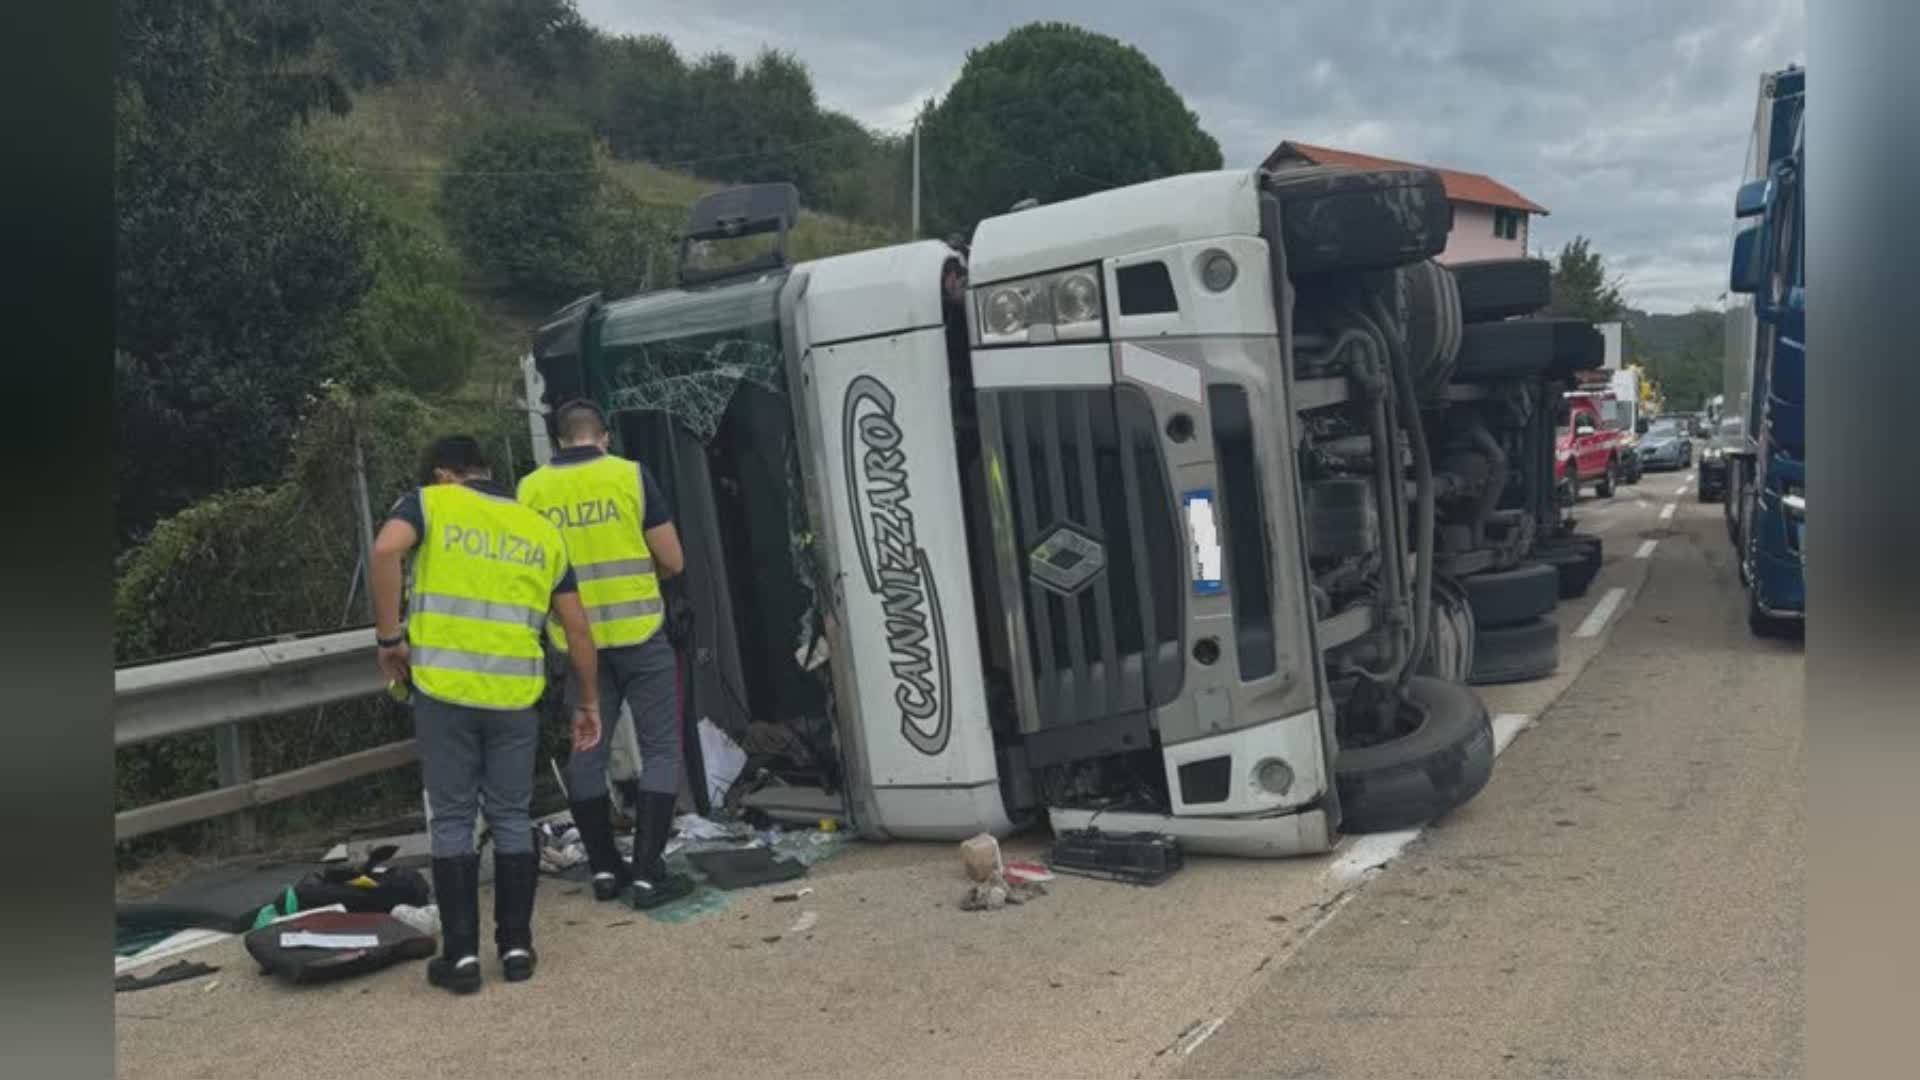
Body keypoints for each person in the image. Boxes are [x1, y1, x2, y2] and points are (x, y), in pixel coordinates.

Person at [370, 435, 602, 995]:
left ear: (445, 474)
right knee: (511, 815)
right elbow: (576, 629)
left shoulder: (429, 502)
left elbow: (384, 552)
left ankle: (462, 957)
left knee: (452, 818)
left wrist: (389, 639)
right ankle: (517, 947)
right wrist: (588, 701)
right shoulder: (539, 530)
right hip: (514, 698)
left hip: (445, 691)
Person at [516, 400, 695, 910]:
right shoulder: (630, 477)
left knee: (587, 752)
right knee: (661, 750)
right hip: (640, 633)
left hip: (578, 648)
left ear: (556, 441)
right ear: (604, 438)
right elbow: (673, 559)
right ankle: (647, 871)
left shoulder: (530, 490)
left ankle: (602, 868)